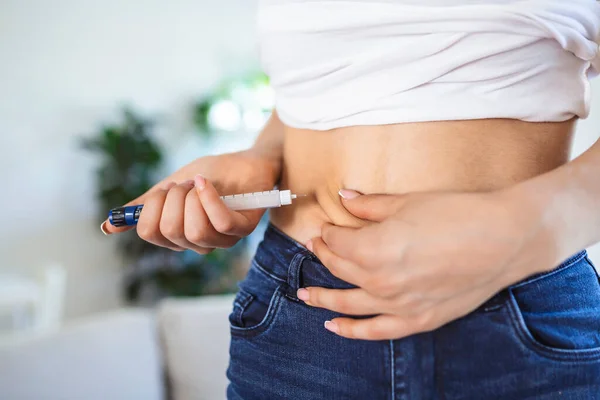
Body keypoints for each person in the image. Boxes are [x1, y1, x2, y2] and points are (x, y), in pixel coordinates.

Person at [102, 0, 600, 398]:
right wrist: (262, 154)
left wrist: (523, 228)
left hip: (516, 312)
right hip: (298, 318)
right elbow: (329, 83)